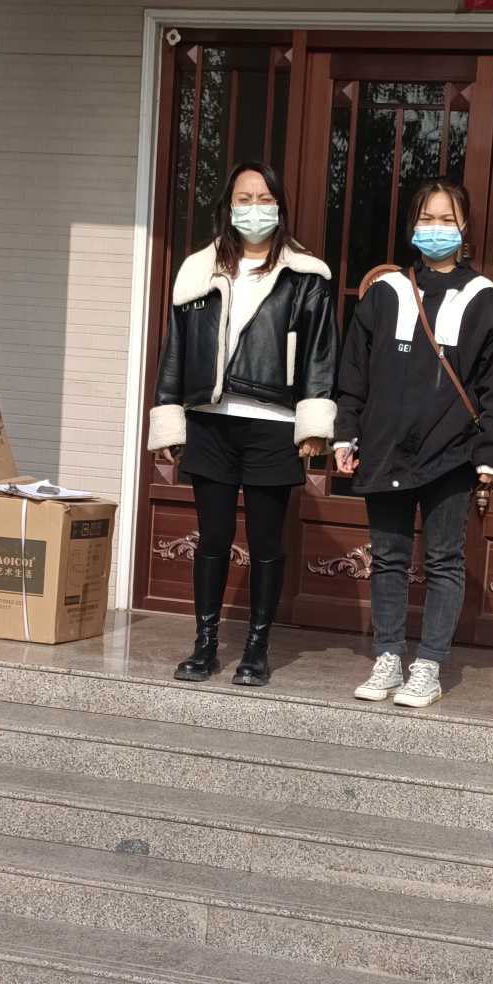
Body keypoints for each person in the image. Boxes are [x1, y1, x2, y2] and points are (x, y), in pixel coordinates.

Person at [332, 181, 493, 708]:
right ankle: (388, 656)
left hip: (450, 451)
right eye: (427, 218)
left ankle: (430, 665)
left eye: (446, 219)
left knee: (443, 559)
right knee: (388, 557)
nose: (436, 229)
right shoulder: (385, 292)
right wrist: (346, 432)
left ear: (465, 228)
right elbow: (354, 373)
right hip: (385, 445)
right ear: (413, 225)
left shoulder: (485, 300)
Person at [148, 162, 337, 685]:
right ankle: (205, 644)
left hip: (273, 424)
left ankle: (257, 647)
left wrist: (314, 422)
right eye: (244, 198)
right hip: (210, 423)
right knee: (211, 538)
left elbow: (321, 353)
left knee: (266, 541)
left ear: (279, 206)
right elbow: (176, 349)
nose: (254, 208)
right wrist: (169, 418)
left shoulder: (307, 275)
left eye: (264, 198)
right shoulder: (198, 270)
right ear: (228, 207)